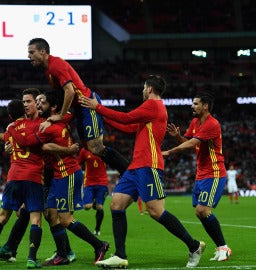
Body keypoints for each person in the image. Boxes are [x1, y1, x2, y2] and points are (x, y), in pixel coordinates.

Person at [79, 75, 205, 268]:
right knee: (116, 204)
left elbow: (127, 117)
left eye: (143, 88)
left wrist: (98, 107)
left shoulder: (153, 106)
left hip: (149, 165)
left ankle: (194, 245)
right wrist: (101, 116)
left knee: (155, 211)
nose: (142, 91)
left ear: (149, 89)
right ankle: (120, 255)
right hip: (136, 166)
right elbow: (128, 126)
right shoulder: (150, 111)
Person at [8, 89, 109, 266]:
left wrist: (10, 134)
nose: (39, 105)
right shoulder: (63, 118)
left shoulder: (46, 128)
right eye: (38, 103)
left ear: (53, 107)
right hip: (58, 176)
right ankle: (62, 253)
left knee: (65, 219)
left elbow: (28, 143)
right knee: (50, 214)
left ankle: (99, 245)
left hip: (67, 174)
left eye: (43, 103)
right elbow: (69, 113)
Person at [0, 89, 77, 265]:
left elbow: (67, 117)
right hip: (36, 175)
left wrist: (55, 120)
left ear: (38, 103)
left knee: (50, 215)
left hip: (52, 172)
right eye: (24, 102)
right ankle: (11, 248)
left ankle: (66, 251)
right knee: (30, 212)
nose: (25, 105)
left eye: (28, 101)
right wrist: (5, 143)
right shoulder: (24, 124)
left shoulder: (46, 121)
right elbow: (14, 139)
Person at [27, 38, 129, 176]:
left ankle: (129, 172)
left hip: (87, 104)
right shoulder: (48, 70)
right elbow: (61, 94)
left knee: (96, 147)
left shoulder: (55, 65)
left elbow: (70, 91)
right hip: (79, 108)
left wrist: (61, 115)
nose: (29, 56)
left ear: (43, 51)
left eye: (32, 52)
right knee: (89, 148)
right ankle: (128, 172)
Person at [0, 99, 44, 269]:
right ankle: (31, 259)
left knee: (2, 216)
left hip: (13, 176)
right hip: (33, 176)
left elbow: (6, 138)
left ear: (10, 115)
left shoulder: (10, 128)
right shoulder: (37, 124)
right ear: (25, 110)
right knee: (35, 220)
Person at [162, 92, 232, 263]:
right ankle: (221, 247)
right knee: (200, 213)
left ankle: (223, 247)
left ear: (205, 106)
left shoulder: (212, 124)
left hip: (214, 173)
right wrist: (177, 137)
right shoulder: (195, 122)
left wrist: (170, 152)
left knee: (203, 211)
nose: (192, 106)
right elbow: (187, 141)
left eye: (195, 103)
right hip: (201, 174)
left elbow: (193, 143)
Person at [77, 147, 109, 236]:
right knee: (87, 207)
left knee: (100, 207)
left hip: (102, 182)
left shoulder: (104, 149)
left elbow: (113, 161)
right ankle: (93, 203)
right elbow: (77, 163)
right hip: (89, 182)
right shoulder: (84, 151)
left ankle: (97, 229)